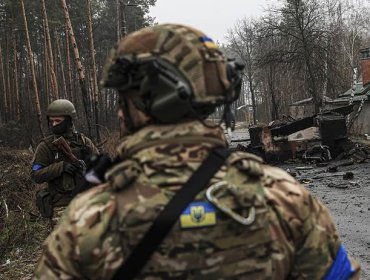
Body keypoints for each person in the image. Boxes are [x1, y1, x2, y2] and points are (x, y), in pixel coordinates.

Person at [33, 24, 360, 279]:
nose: (119, 112)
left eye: (124, 99)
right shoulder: (287, 199)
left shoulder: (88, 220)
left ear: (140, 106)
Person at [31, 99, 99, 225]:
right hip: (61, 206)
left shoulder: (84, 142)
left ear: (69, 121)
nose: (54, 124)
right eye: (51, 121)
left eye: (58, 121)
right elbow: (36, 174)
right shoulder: (46, 146)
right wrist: (61, 167)